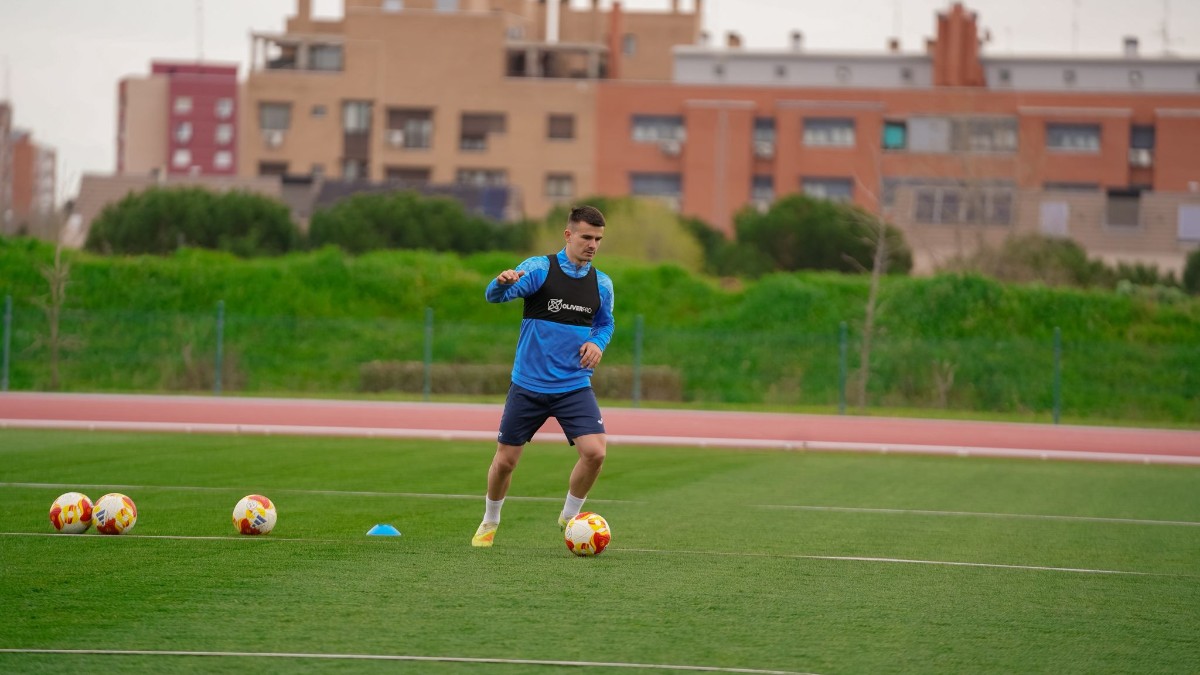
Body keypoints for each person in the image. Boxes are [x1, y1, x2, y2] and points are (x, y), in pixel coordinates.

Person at [471, 205, 615, 547]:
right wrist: (499, 282)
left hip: (573, 385)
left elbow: (605, 323)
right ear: (568, 235)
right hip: (529, 385)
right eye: (586, 237)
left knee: (595, 452)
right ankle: (490, 520)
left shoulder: (602, 284)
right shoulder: (538, 269)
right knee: (505, 461)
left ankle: (569, 516)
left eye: (598, 239)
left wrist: (597, 343)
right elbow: (496, 297)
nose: (592, 244)